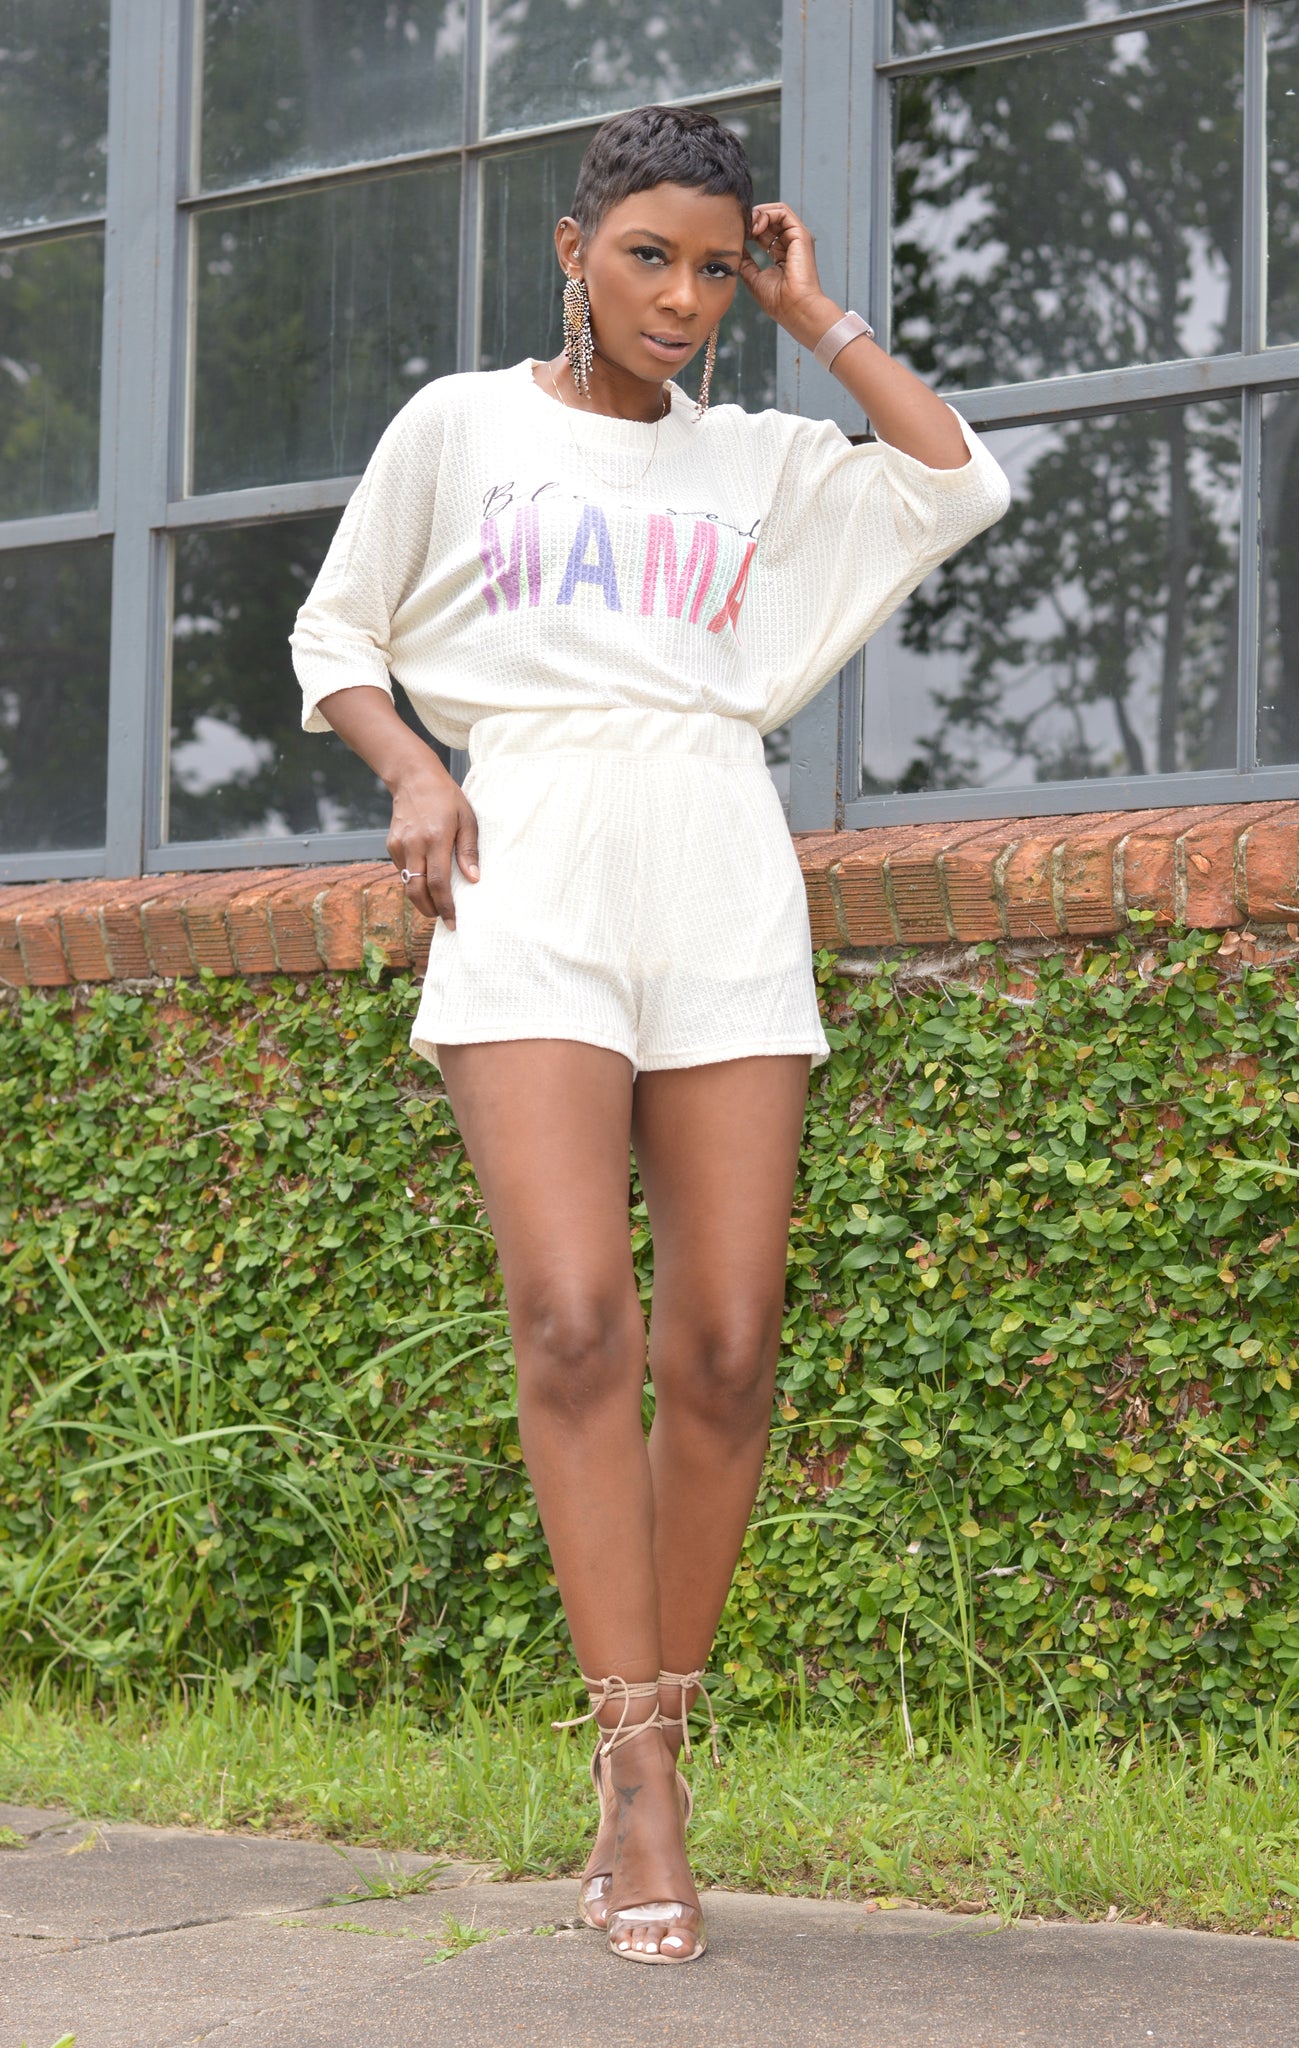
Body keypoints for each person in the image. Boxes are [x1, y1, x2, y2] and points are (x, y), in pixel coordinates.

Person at [291, 103, 1009, 1965]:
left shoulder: (756, 456)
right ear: (571, 250)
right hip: (526, 855)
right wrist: (414, 772)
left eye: (711, 268)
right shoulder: (460, 426)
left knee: (731, 1343)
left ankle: (663, 1724)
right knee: (570, 1319)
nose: (681, 299)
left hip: (713, 862)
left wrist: (813, 314)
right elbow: (336, 638)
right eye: (647, 259)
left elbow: (953, 481)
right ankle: (634, 1768)